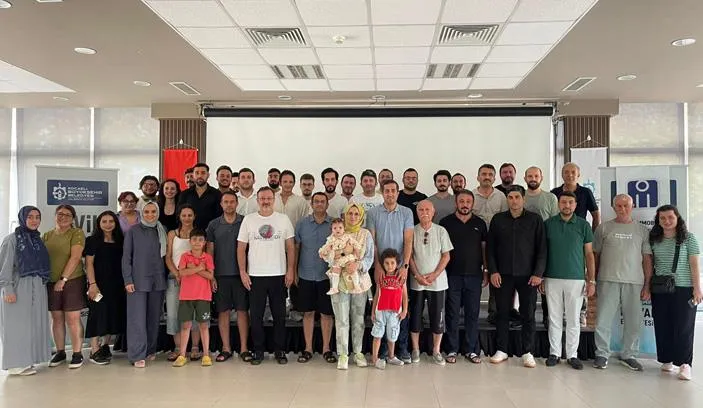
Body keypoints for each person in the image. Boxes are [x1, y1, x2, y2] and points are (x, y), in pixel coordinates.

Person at [488, 185, 546, 368]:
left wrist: (538, 273)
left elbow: (542, 249)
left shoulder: (535, 220)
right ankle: (502, 349)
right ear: (507, 199)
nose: (514, 201)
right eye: (511, 197)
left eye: (517, 197)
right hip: (503, 274)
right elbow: (490, 249)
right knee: (502, 313)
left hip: (528, 275)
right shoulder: (498, 220)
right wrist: (493, 271)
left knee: (528, 313)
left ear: (524, 199)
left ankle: (528, 352)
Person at [592, 194, 652, 371]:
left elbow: (647, 259)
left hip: (634, 282)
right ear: (613, 207)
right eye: (618, 205)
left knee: (633, 322)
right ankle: (602, 354)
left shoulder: (642, 230)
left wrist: (647, 284)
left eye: (626, 205)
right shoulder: (603, 228)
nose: (622, 209)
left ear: (632, 207)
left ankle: (629, 354)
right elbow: (595, 256)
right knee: (603, 320)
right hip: (607, 280)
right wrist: (592, 280)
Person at [237, 187, 295, 365]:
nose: (265, 201)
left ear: (274, 200)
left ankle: (280, 350)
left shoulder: (283, 219)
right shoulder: (249, 220)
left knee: (279, 316)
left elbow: (290, 247)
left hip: (279, 274)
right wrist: (243, 272)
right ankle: (258, 351)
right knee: (256, 316)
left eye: (269, 198)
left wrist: (290, 270)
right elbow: (241, 248)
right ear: (258, 200)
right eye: (262, 198)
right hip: (255, 275)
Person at [649, 205, 702, 380]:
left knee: (684, 327)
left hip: (684, 288)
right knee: (662, 324)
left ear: (678, 218)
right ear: (658, 220)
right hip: (660, 288)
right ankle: (666, 359)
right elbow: (649, 263)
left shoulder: (689, 238)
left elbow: (694, 265)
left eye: (670, 217)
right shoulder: (654, 239)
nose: (667, 221)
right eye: (662, 218)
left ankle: (685, 364)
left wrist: (697, 288)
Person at [543, 192, 595, 370]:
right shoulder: (548, 224)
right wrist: (541, 276)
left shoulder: (583, 225)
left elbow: (589, 254)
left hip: (576, 279)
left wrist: (592, 280)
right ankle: (554, 353)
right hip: (552, 277)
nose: (567, 205)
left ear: (575, 204)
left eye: (570, 202)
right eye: (563, 202)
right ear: (558, 204)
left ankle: (572, 355)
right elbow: (542, 252)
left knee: (573, 319)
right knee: (554, 318)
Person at [0, 206, 51, 376]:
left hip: (37, 287)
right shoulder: (12, 240)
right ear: (22, 218)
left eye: (37, 217)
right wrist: (7, 289)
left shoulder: (37, 240)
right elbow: (4, 266)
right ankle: (15, 364)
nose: (34, 220)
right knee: (17, 325)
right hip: (18, 286)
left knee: (32, 325)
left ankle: (27, 360)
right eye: (30, 217)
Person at [367, 180, 414, 363]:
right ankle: (382, 353)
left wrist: (405, 266)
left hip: (400, 269)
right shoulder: (373, 213)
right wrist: (378, 265)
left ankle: (401, 350)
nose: (390, 194)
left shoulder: (406, 212)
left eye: (393, 190)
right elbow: (372, 241)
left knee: (400, 309)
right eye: (386, 191)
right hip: (380, 267)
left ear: (397, 193)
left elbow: (408, 240)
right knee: (381, 307)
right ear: (382, 192)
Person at [440, 190, 488, 364]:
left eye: (468, 201)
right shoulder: (445, 223)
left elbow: (484, 249)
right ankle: (451, 349)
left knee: (472, 314)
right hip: (452, 275)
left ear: (473, 204)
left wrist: (486, 271)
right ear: (456, 203)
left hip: (474, 275)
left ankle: (471, 350)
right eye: (462, 201)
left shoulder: (480, 223)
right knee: (452, 314)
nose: (465, 204)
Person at [122, 202, 168, 368]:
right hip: (137, 281)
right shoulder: (133, 231)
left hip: (158, 280)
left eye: (153, 211)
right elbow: (126, 257)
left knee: (154, 318)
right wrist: (128, 280)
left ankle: (149, 349)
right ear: (141, 213)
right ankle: (137, 354)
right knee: (137, 319)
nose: (150, 215)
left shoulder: (162, 230)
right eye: (146, 212)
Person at [207, 191, 250, 363]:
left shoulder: (245, 222)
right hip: (220, 275)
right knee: (223, 312)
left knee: (242, 311)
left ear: (237, 203)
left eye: (232, 201)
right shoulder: (213, 225)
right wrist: (211, 275)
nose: (229, 205)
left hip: (241, 275)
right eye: (226, 202)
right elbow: (210, 251)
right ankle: (226, 348)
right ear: (221, 204)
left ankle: (244, 348)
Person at [294, 192, 336, 364]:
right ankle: (308, 349)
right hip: (305, 275)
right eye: (316, 201)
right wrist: (293, 271)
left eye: (322, 201)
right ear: (311, 204)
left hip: (327, 277)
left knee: (326, 314)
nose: (319, 204)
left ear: (327, 204)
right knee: (308, 313)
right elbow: (296, 248)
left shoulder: (334, 224)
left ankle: (326, 349)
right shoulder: (302, 224)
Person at [409, 200, 452, 365]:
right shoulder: (412, 231)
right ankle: (415, 349)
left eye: (427, 209)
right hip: (417, 282)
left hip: (438, 282)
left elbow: (446, 256)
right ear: (417, 212)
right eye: (421, 209)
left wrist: (434, 275)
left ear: (433, 212)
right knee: (415, 316)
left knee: (437, 317)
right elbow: (409, 256)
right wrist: (417, 275)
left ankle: (436, 350)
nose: (424, 212)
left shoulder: (441, 231)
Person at [331, 203, 374, 369]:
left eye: (356, 214)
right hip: (340, 282)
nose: (353, 217)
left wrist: (358, 265)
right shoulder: (337, 232)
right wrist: (342, 260)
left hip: (359, 283)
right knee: (341, 319)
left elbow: (369, 257)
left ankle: (358, 352)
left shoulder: (366, 234)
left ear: (361, 216)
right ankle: (343, 354)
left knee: (358, 319)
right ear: (344, 215)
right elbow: (329, 256)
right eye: (350, 213)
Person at [43, 204, 86, 369]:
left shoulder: (76, 233)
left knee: (72, 318)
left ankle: (77, 353)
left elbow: (75, 257)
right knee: (56, 318)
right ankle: (60, 352)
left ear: (73, 218)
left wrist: (63, 279)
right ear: (55, 216)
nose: (63, 217)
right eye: (60, 214)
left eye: (68, 215)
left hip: (72, 281)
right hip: (51, 282)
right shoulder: (47, 235)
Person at [84, 211, 126, 365]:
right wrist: (92, 284)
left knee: (112, 315)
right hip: (98, 285)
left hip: (116, 285)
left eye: (111, 221)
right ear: (99, 224)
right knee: (97, 314)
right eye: (104, 221)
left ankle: (105, 346)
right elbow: (89, 264)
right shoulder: (92, 241)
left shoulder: (121, 240)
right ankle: (94, 349)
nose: (108, 224)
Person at [164, 205, 203, 362]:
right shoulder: (172, 234)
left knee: (194, 314)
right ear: (179, 217)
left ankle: (194, 347)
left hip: (195, 279)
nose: (187, 218)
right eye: (184, 215)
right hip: (175, 278)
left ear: (194, 216)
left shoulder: (199, 234)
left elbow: (203, 256)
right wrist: (177, 273)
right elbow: (168, 257)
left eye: (190, 215)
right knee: (173, 314)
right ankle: (178, 348)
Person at [172, 229, 215, 367]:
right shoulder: (185, 256)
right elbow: (182, 273)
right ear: (190, 241)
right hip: (186, 296)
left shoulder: (207, 257)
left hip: (203, 296)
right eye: (194, 239)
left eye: (200, 240)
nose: (197, 242)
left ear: (205, 242)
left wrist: (194, 269)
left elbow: (210, 276)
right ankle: (182, 355)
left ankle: (206, 355)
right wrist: (199, 268)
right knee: (186, 326)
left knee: (203, 325)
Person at [472, 164, 508, 324]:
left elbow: (506, 219)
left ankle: (494, 312)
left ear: (494, 178)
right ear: (478, 177)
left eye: (490, 175)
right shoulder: (471, 195)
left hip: (496, 243)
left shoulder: (501, 197)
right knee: (473, 275)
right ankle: (470, 310)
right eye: (484, 174)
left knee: (495, 274)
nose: (487, 177)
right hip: (474, 243)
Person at [524, 166, 558, 327]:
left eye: (536, 176)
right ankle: (524, 316)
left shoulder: (550, 198)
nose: (533, 179)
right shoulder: (520, 196)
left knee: (545, 282)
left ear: (541, 178)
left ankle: (547, 315)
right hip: (524, 247)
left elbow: (554, 221)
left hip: (544, 245)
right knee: (525, 284)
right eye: (530, 176)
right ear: (525, 178)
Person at [371, 248, 408, 370]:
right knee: (378, 334)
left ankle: (391, 356)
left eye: (392, 263)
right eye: (387, 263)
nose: (390, 266)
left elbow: (404, 295)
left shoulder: (401, 278)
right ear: (383, 264)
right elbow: (377, 295)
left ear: (397, 264)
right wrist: (373, 311)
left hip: (395, 311)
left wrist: (404, 310)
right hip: (381, 310)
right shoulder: (381, 277)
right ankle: (375, 359)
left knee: (392, 334)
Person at [551, 162, 600, 231]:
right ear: (562, 175)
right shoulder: (554, 193)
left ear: (578, 175)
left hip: (580, 232)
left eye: (573, 172)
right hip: (558, 231)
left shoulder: (586, 192)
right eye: (566, 172)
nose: (570, 175)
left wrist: (592, 234)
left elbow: (596, 215)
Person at [319, 218, 362, 294]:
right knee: (335, 269)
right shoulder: (330, 239)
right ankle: (334, 288)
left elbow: (355, 244)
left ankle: (357, 286)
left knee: (351, 268)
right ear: (331, 230)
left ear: (344, 229)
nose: (337, 230)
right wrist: (322, 252)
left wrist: (357, 252)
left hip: (347, 258)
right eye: (335, 228)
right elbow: (326, 247)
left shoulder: (347, 237)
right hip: (338, 260)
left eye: (340, 227)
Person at [178, 162, 223, 229]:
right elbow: (179, 214)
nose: (200, 176)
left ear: (208, 175)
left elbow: (219, 216)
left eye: (203, 173)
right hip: (189, 232)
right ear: (193, 175)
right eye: (197, 173)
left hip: (210, 232)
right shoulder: (185, 194)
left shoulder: (217, 194)